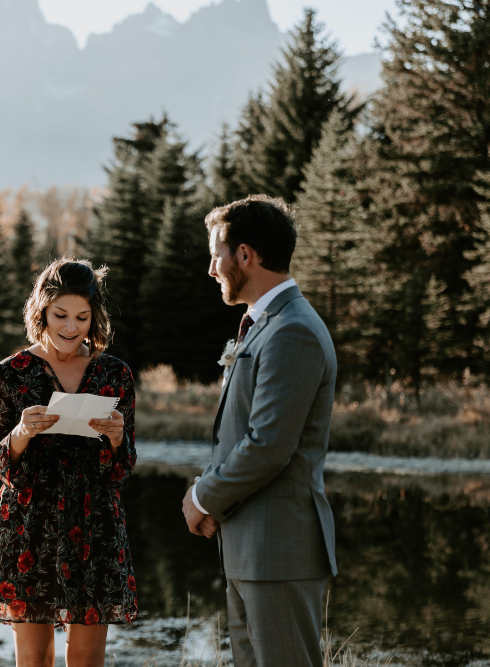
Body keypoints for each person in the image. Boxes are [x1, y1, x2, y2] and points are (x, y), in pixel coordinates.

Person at [181, 196, 337, 667]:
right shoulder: (263, 325)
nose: (212, 268)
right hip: (251, 549)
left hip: (279, 553)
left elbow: (269, 445)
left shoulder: (293, 330)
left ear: (245, 255)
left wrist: (203, 497)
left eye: (216, 254)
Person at [0, 259, 137, 667]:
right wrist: (20, 435)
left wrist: (118, 438)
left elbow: (122, 470)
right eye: (60, 315)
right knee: (34, 661)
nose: (71, 327)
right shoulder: (11, 374)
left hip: (95, 526)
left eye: (82, 317)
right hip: (29, 526)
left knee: (87, 661)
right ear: (42, 312)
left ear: (95, 316)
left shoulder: (114, 373)